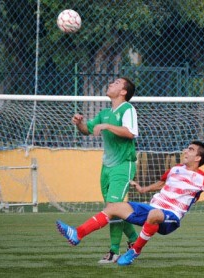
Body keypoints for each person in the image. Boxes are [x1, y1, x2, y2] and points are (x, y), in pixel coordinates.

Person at [56, 140, 204, 266]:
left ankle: (135, 250)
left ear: (198, 158)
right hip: (152, 207)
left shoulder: (202, 179)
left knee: (154, 215)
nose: (186, 150)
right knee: (113, 207)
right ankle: (77, 234)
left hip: (170, 218)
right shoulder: (175, 169)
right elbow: (161, 183)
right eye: (187, 147)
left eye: (191, 150)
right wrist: (142, 189)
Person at [71, 77, 139, 264]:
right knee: (114, 210)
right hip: (107, 167)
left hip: (123, 165)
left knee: (113, 208)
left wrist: (108, 126)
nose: (111, 84)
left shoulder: (127, 109)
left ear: (124, 92)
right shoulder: (104, 113)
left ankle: (113, 252)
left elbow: (130, 132)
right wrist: (79, 123)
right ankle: (134, 241)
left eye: (116, 83)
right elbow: (87, 130)